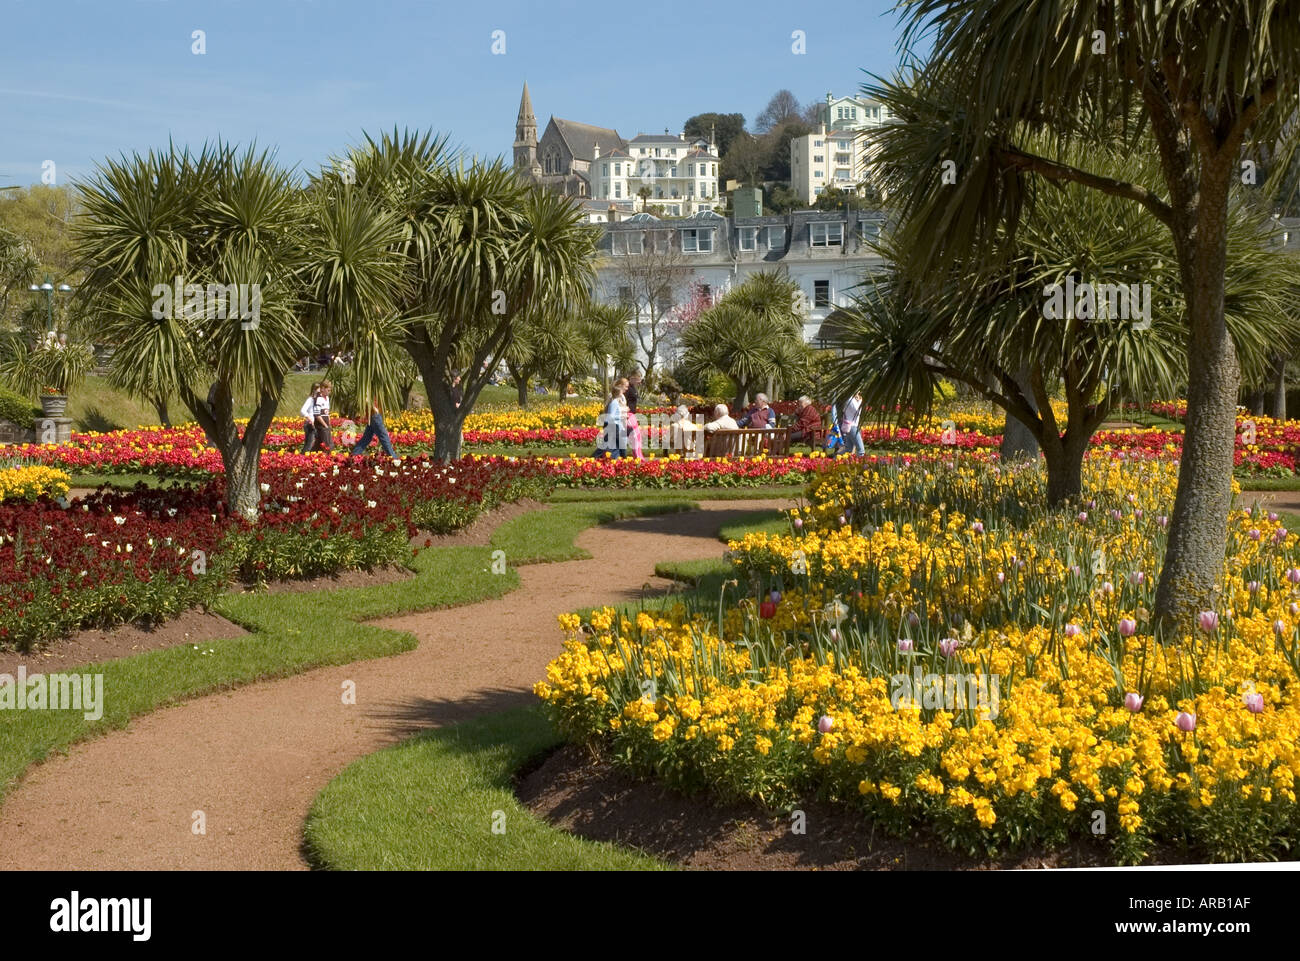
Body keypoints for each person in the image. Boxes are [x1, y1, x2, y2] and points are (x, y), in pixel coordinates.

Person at [351, 394, 396, 458]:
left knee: (367, 437)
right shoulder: (368, 386)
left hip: (373, 415)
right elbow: (366, 398)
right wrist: (374, 408)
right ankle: (393, 458)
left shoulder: (375, 387)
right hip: (375, 415)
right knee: (384, 436)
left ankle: (354, 454)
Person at [595, 379, 628, 458]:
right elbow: (611, 416)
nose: (623, 392)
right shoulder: (614, 402)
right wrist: (621, 415)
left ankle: (617, 459)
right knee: (617, 443)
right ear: (617, 392)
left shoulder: (617, 400)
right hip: (612, 425)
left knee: (614, 445)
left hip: (613, 425)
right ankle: (624, 458)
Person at [841, 391, 865, 456]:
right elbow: (857, 410)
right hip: (852, 427)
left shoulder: (851, 398)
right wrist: (860, 401)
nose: (859, 392)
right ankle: (861, 465)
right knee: (861, 450)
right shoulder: (850, 399)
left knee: (848, 449)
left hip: (850, 426)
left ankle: (836, 458)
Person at [300, 382, 321, 452]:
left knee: (313, 444)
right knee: (309, 445)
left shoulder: (317, 401)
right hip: (310, 424)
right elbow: (303, 410)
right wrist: (309, 418)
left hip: (315, 424)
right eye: (318, 391)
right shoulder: (310, 400)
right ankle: (303, 458)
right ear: (314, 390)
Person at [313, 380, 333, 451]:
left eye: (330, 390)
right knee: (328, 444)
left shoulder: (327, 398)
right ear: (322, 389)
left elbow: (327, 413)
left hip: (326, 424)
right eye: (328, 390)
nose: (329, 392)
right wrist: (325, 425)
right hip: (321, 425)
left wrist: (329, 423)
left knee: (318, 444)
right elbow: (317, 415)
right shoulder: (318, 399)